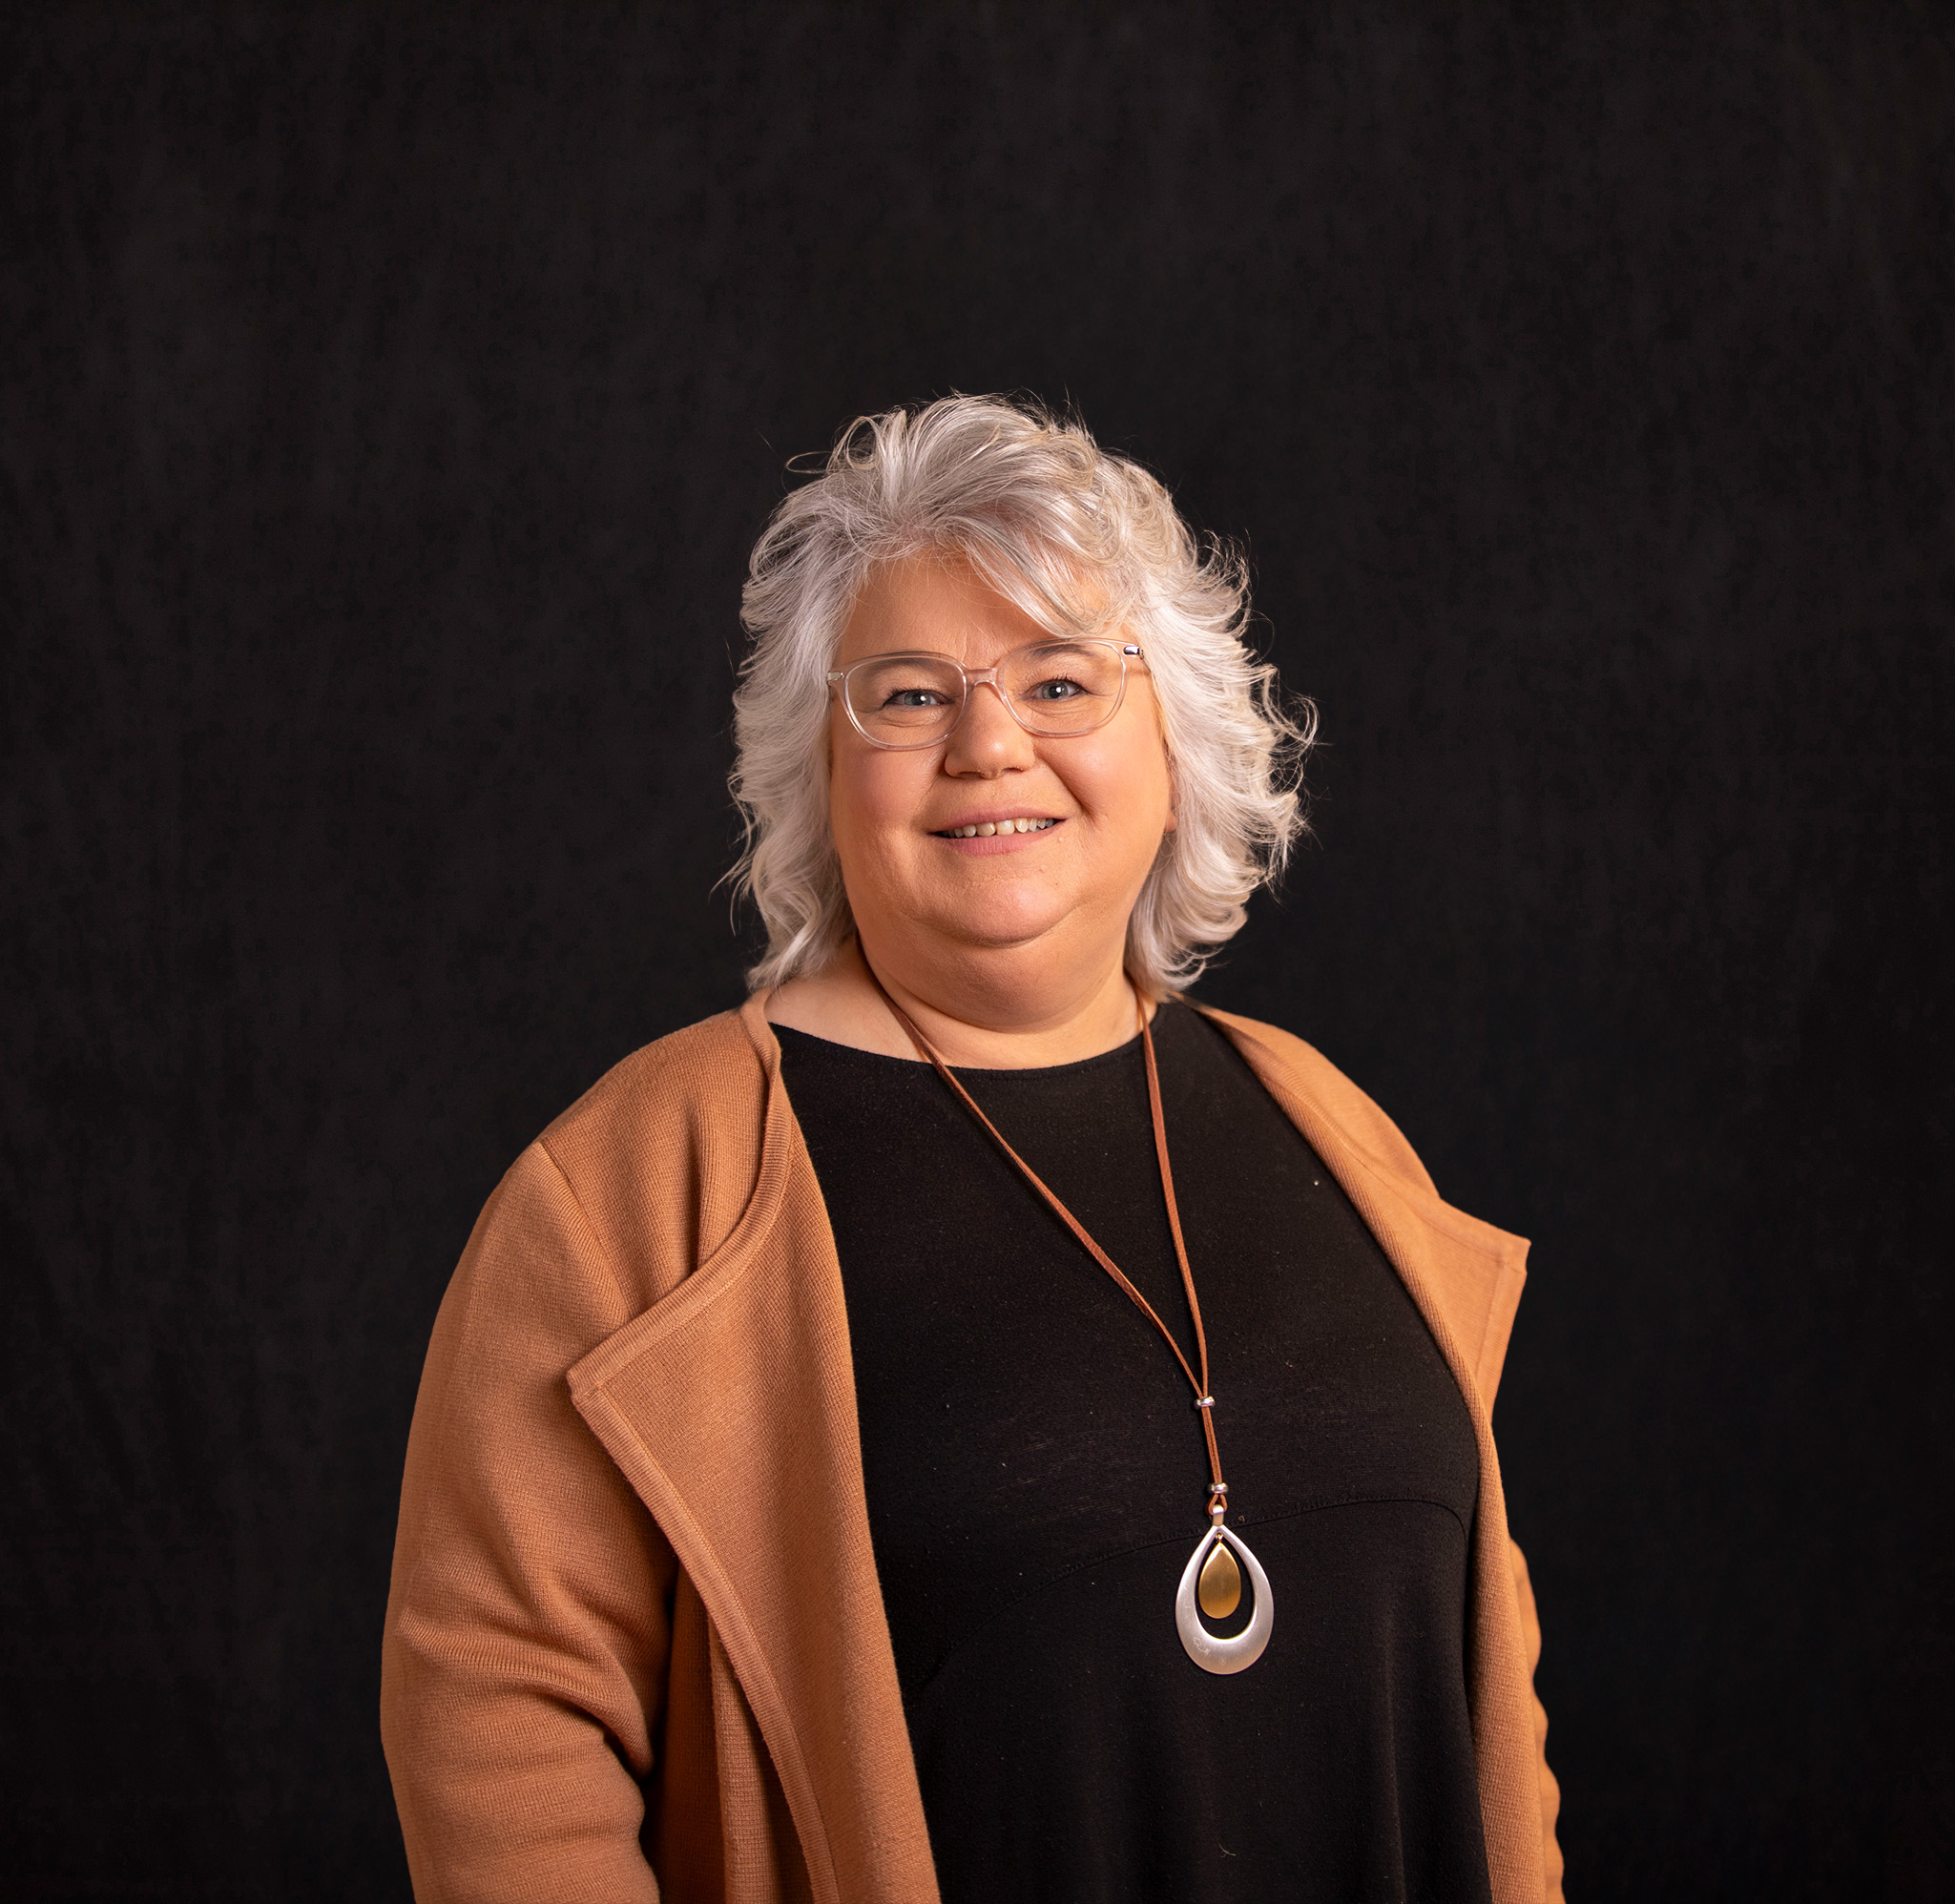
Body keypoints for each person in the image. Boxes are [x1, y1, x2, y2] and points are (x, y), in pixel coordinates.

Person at [381, 394, 1563, 1903]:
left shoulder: (1328, 1124)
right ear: (820, 770)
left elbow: (1482, 1691)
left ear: (1176, 744)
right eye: (907, 696)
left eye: (1061, 682)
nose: (989, 743)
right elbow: (495, 1724)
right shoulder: (638, 1189)